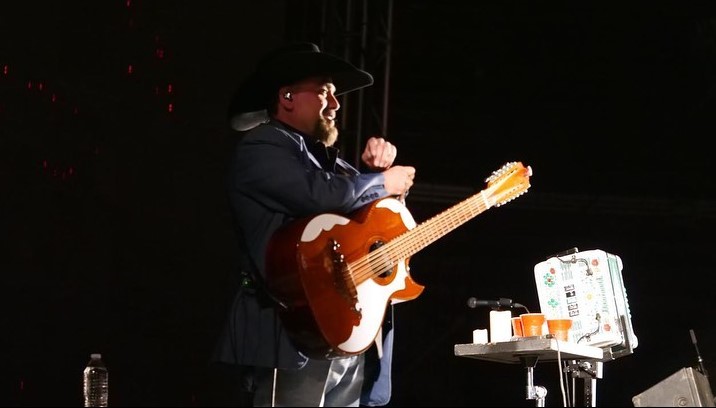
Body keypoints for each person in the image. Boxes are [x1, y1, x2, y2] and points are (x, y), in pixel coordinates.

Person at [211, 42, 417, 407]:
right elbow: (318, 196)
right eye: (324, 91)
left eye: (335, 94)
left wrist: (375, 175)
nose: (335, 104)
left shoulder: (333, 166)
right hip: (290, 334)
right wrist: (381, 182)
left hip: (342, 334)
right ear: (287, 96)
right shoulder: (261, 146)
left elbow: (378, 223)